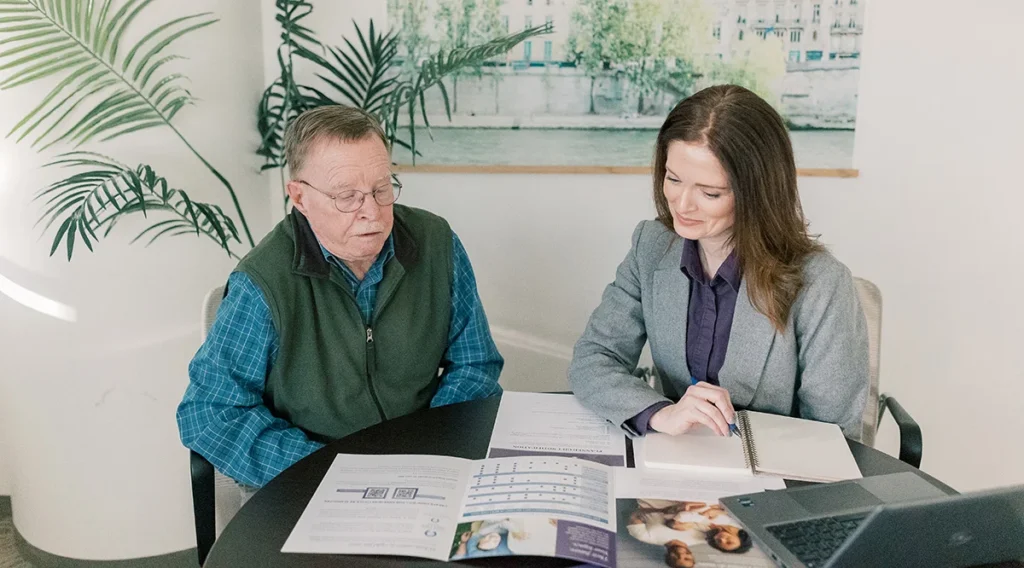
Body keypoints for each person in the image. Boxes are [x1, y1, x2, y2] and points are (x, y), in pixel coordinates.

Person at [176, 105, 504, 489]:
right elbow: (209, 413)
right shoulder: (262, 283)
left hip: (424, 466)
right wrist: (329, 470)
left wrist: (427, 445)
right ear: (299, 197)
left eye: (382, 189)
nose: (374, 213)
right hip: (315, 478)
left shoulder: (437, 243)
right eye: (347, 196)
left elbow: (475, 364)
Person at [569, 84, 869, 441]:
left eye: (709, 193)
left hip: (774, 480)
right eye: (673, 179)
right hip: (673, 462)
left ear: (756, 192)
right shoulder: (650, 247)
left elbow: (834, 436)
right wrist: (660, 413)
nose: (682, 205)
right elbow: (594, 358)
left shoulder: (821, 284)